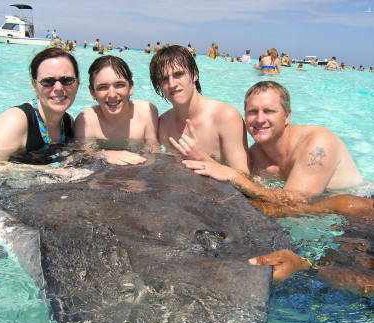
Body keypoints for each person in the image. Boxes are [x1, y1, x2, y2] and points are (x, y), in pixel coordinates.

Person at [182, 81, 363, 206]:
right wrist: (204, 157)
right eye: (253, 112)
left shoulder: (318, 143)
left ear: (287, 116)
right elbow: (238, 179)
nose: (260, 119)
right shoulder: (255, 156)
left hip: (362, 208)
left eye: (269, 111)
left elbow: (294, 202)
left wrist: (234, 177)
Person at [0, 48, 80, 179]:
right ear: (34, 85)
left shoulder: (68, 122)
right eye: (48, 81)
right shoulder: (15, 121)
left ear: (78, 83)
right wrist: (50, 170)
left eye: (67, 80)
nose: (58, 88)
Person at [149, 45, 249, 173]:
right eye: (164, 79)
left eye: (178, 74)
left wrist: (201, 158)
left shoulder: (225, 117)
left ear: (194, 74)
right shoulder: (163, 124)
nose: (172, 84)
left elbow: (244, 177)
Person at [75, 55, 159, 165]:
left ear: (131, 87)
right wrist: (104, 155)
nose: (112, 95)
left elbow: (154, 152)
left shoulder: (146, 112)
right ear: (92, 92)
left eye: (119, 85)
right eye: (103, 87)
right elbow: (81, 157)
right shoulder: (86, 120)